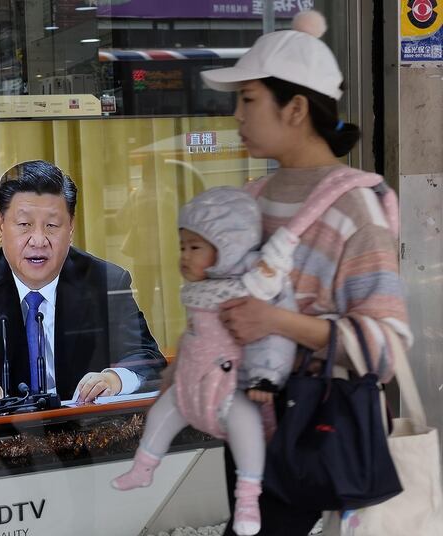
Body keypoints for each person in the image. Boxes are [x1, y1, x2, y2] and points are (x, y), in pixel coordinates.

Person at [198, 10, 411, 535]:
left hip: (312, 429)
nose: (236, 115)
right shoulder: (248, 200)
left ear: (295, 108)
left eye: (248, 99)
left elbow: (386, 345)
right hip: (246, 421)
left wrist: (276, 321)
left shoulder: (355, 209)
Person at [111, 187, 296, 536]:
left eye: (195, 247)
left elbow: (272, 341)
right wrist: (176, 369)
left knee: (247, 434)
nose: (184, 256)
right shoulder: (198, 291)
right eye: (182, 247)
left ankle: (248, 499)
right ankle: (145, 464)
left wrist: (264, 378)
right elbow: (192, 336)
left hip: (230, 387)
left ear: (228, 248)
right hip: (192, 384)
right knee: (161, 415)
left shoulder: (249, 292)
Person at [0, 160, 166, 410]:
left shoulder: (105, 282)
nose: (38, 241)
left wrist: (114, 379)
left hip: (86, 433)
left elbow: (148, 359)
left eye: (52, 225)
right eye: (24, 225)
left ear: (70, 227)